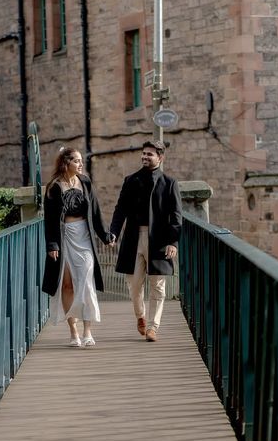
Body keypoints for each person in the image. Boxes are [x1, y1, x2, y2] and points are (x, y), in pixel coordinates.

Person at [109, 140, 182, 342]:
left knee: (158, 286)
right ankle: (140, 316)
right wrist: (113, 232)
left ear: (160, 157)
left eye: (149, 154)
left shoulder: (170, 183)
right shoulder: (130, 180)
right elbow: (120, 210)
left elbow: (176, 217)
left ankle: (153, 327)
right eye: (143, 153)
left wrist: (173, 242)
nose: (145, 157)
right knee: (134, 285)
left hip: (159, 240)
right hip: (133, 238)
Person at [42, 147, 113, 347]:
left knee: (87, 282)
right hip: (64, 238)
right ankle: (73, 332)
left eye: (81, 161)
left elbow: (96, 212)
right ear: (66, 163)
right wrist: (52, 244)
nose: (81, 164)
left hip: (84, 236)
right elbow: (49, 221)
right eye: (77, 161)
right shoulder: (54, 187)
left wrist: (105, 236)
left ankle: (88, 331)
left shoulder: (86, 182)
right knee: (67, 285)